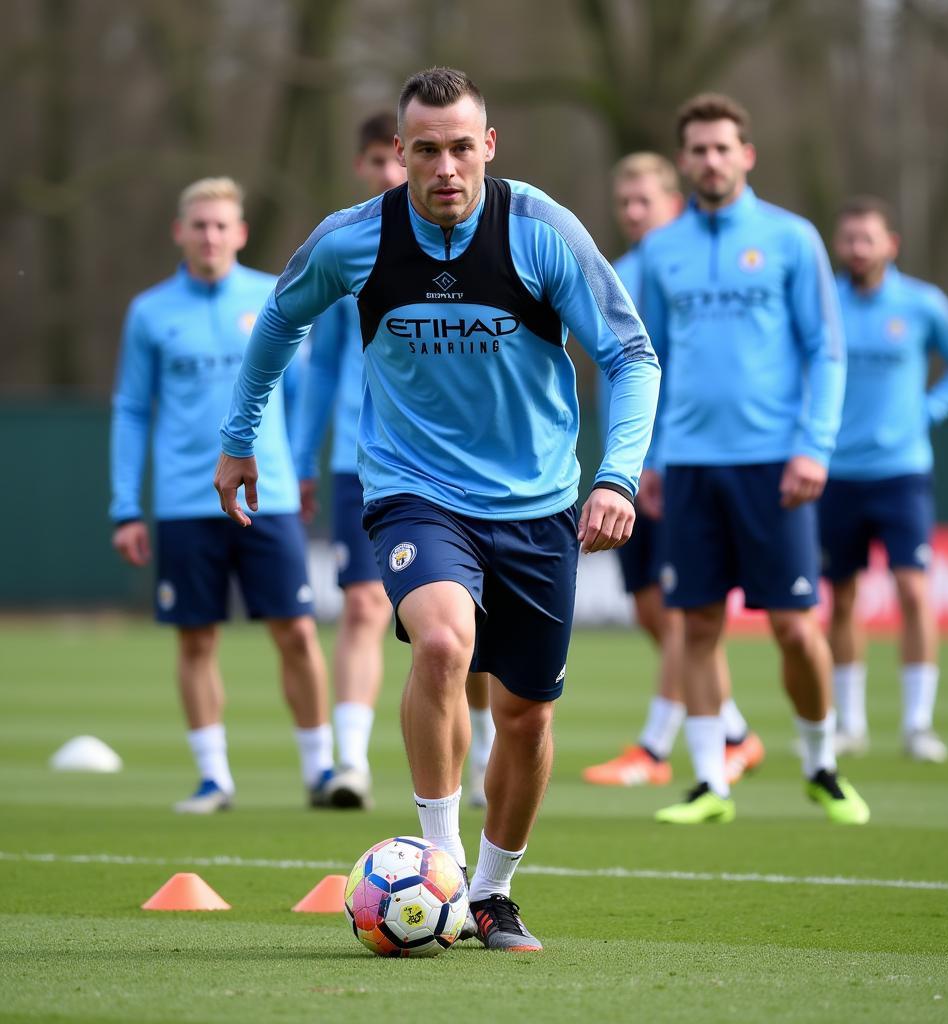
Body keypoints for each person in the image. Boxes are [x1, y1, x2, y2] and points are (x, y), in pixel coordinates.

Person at [214, 67, 659, 950]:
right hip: (413, 490)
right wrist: (238, 438)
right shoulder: (354, 240)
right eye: (424, 150)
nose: (445, 166)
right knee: (446, 642)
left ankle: (493, 892)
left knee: (526, 715)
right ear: (397, 155)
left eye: (462, 147)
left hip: (537, 503)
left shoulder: (540, 232)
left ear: (488, 147)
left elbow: (632, 356)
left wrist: (615, 477)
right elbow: (276, 325)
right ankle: (442, 862)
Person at [639, 93, 869, 825]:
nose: (711, 160)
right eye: (698, 149)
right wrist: (644, 457)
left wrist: (814, 446)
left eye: (722, 147)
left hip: (775, 466)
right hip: (690, 468)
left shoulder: (792, 239)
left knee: (796, 627)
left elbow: (825, 350)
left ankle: (820, 761)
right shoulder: (659, 251)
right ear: (684, 162)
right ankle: (711, 782)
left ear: (747, 155)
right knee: (696, 625)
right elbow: (643, 360)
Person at [109, 176, 339, 814]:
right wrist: (126, 504)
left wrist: (300, 471)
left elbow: (301, 395)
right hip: (186, 500)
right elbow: (131, 408)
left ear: (239, 233)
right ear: (180, 232)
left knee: (295, 630)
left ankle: (322, 772)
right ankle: (214, 778)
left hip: (271, 497)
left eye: (221, 225)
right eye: (199, 225)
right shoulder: (150, 313)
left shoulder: (273, 296)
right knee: (196, 638)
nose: (210, 236)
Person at [292, 112, 495, 809]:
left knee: (462, 632)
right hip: (369, 464)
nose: (390, 171)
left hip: (466, 467)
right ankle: (349, 763)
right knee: (361, 606)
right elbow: (317, 371)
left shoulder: (464, 242)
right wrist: (300, 460)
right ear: (375, 163)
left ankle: (481, 754)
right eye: (383, 159)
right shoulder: (350, 247)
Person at [582, 153, 763, 788]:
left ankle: (656, 748)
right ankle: (735, 731)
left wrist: (653, 461)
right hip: (628, 465)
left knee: (682, 611)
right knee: (653, 609)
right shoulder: (614, 272)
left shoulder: (679, 275)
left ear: (674, 203)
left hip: (669, 466)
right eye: (624, 203)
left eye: (645, 202)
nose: (633, 213)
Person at [822, 196, 948, 761]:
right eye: (847, 239)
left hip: (900, 473)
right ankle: (850, 722)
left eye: (867, 238)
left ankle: (918, 724)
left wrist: (931, 408)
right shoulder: (823, 305)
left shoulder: (922, 304)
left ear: (891, 244)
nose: (856, 249)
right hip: (835, 472)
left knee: (914, 592)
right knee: (840, 599)